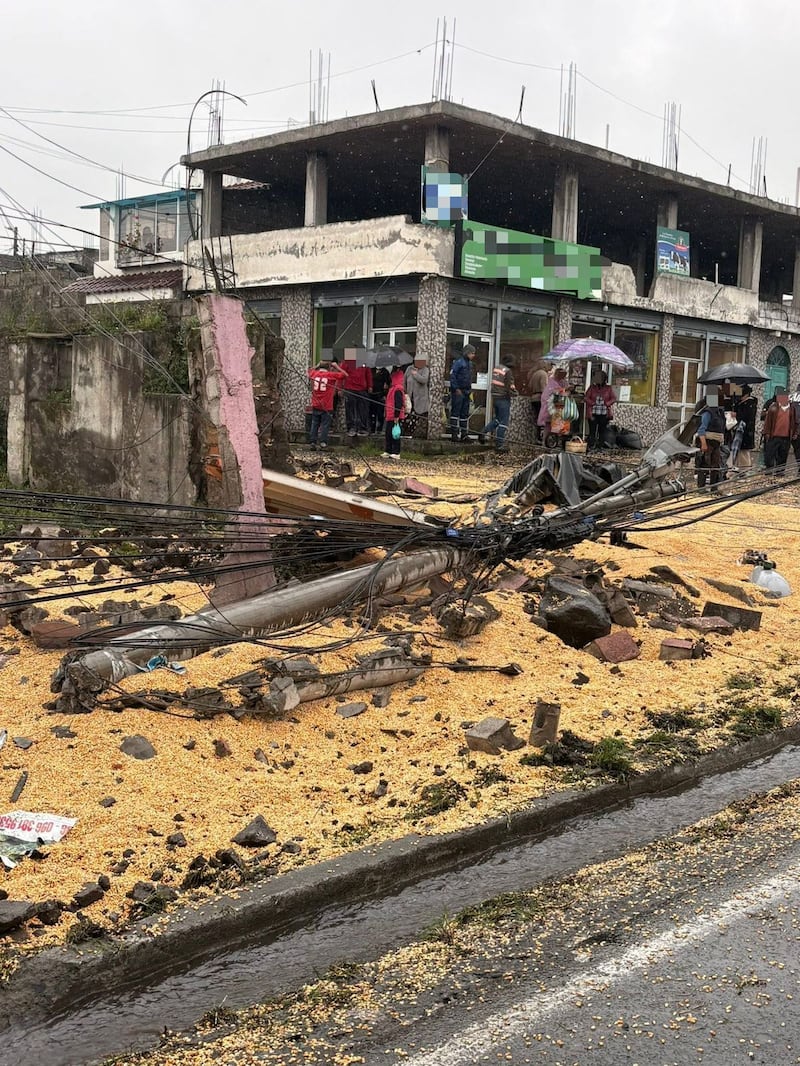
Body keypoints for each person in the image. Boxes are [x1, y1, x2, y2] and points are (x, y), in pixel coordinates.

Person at [478, 355, 517, 451]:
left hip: (495, 398)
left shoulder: (497, 368)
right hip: (503, 398)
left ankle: (483, 432)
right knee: (503, 422)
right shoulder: (508, 371)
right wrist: (515, 393)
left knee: (497, 419)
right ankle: (500, 444)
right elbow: (510, 387)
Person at [307, 357, 347, 449]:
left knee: (315, 423)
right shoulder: (330, 375)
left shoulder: (314, 374)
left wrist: (317, 365)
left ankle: (312, 442)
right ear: (329, 367)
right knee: (325, 425)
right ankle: (323, 443)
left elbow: (309, 371)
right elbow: (345, 375)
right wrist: (337, 367)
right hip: (327, 405)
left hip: (316, 403)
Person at [695, 390, 726, 488]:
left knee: (715, 466)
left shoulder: (720, 412)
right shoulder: (707, 413)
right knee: (704, 465)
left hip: (716, 443)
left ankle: (714, 488)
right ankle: (701, 487)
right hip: (707, 442)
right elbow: (701, 428)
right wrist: (703, 443)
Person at [763, 386, 797, 475]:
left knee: (783, 455)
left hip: (786, 437)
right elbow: (767, 421)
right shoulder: (773, 407)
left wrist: (794, 433)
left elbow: (794, 422)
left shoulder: (792, 408)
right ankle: (769, 471)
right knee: (769, 455)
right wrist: (766, 432)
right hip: (774, 436)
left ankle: (780, 472)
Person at [340, 355, 372, 445]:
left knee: (363, 410)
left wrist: (370, 385)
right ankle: (351, 428)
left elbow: (368, 373)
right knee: (350, 410)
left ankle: (362, 428)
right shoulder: (346, 361)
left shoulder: (364, 361)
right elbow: (341, 374)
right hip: (349, 389)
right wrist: (339, 388)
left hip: (362, 389)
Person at [449, 344, 476, 442]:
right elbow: (452, 376)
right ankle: (454, 434)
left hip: (466, 391)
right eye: (472, 353)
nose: (473, 355)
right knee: (455, 413)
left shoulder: (470, 364)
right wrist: (456, 388)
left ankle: (464, 434)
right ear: (467, 353)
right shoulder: (459, 362)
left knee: (464, 414)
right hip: (458, 391)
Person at [584, 369, 616, 450]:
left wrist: (607, 403)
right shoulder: (592, 387)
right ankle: (591, 445)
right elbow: (586, 397)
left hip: (604, 413)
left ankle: (600, 446)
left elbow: (614, 398)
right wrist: (592, 403)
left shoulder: (608, 388)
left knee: (602, 431)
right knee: (592, 430)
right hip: (593, 412)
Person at [383, 366, 406, 460]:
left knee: (395, 434)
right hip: (390, 414)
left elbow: (399, 403)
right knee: (388, 433)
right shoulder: (392, 389)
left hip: (395, 415)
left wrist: (396, 416)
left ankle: (396, 452)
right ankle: (388, 450)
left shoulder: (398, 389)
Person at [404, 355, 430, 439]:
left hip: (420, 398)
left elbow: (424, 380)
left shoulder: (425, 370)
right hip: (409, 397)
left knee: (417, 416)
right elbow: (404, 381)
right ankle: (406, 433)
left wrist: (416, 374)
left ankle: (414, 434)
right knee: (407, 415)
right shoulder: (409, 369)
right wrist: (404, 392)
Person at [537, 367, 568, 436]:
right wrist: (563, 391)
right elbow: (549, 393)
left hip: (558, 405)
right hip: (551, 405)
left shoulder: (562, 382)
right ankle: (547, 440)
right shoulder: (551, 382)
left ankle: (554, 440)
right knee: (549, 423)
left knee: (556, 423)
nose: (562, 377)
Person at [733, 384, 758, 470]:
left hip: (746, 432)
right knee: (738, 451)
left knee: (744, 452)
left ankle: (744, 470)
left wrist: (737, 415)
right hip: (739, 431)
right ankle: (738, 469)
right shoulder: (740, 403)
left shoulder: (750, 403)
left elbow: (748, 416)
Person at [526, 358, 549, 442]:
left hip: (534, 398)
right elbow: (544, 388)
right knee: (542, 419)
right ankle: (540, 438)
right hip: (540, 398)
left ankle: (537, 437)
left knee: (538, 418)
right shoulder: (543, 374)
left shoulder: (535, 374)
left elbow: (530, 386)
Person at [369, 366, 390, 434]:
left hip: (381, 394)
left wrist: (385, 393)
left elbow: (388, 382)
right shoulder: (371, 370)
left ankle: (379, 429)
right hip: (372, 394)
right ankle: (371, 428)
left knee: (380, 413)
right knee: (372, 412)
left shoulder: (385, 372)